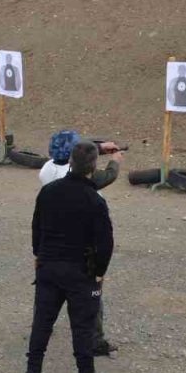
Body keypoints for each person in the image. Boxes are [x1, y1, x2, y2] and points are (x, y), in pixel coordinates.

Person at [26, 141, 114, 373]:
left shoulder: (48, 191)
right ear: (93, 167)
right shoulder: (94, 200)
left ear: (71, 162)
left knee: (42, 322)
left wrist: (38, 255)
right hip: (80, 272)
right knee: (82, 326)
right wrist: (99, 272)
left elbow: (37, 227)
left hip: (49, 266)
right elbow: (105, 242)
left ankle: (32, 372)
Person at [37, 131, 121, 358]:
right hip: (80, 246)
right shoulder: (81, 180)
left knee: (47, 294)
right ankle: (95, 341)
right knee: (92, 297)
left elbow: (78, 156)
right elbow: (106, 177)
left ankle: (41, 331)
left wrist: (101, 148)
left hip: (54, 245)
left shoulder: (47, 169)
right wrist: (115, 161)